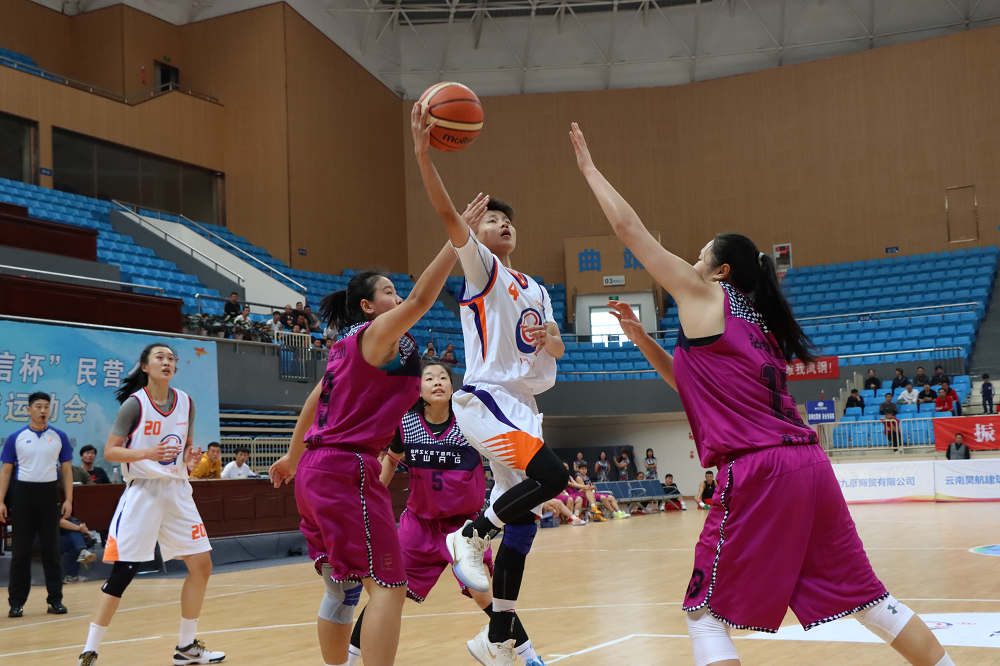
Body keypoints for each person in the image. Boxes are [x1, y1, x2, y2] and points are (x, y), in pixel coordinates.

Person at [570, 122, 953, 666]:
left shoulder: (706, 295)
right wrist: (642, 340)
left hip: (759, 471)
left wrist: (589, 170)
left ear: (720, 271)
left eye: (699, 256)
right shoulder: (759, 324)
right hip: (809, 466)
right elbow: (692, 387)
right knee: (871, 601)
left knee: (704, 613)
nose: (691, 263)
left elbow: (630, 231)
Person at [267, 215, 478, 666]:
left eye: (396, 292)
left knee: (341, 589)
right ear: (367, 306)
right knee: (389, 587)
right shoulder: (378, 334)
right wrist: (457, 241)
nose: (398, 298)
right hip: (346, 469)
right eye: (388, 292)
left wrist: (291, 457)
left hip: (315, 471)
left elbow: (314, 400)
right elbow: (422, 298)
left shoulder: (344, 346)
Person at [412, 102, 568, 664]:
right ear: (477, 234)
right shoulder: (483, 268)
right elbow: (446, 215)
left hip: (523, 404)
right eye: (491, 220)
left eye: (508, 221)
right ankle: (471, 534)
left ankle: (497, 637)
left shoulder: (537, 288)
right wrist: (423, 155)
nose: (502, 224)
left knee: (522, 529)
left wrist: (553, 338)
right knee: (554, 476)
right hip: (487, 399)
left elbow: (556, 350)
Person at [350, 362, 546, 666]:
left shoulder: (469, 421)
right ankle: (349, 661)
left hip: (464, 528)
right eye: (429, 378)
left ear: (453, 387)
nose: (437, 381)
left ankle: (529, 657)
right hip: (418, 525)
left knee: (489, 598)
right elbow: (390, 461)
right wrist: (369, 498)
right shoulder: (407, 423)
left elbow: (506, 458)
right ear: (419, 389)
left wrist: (535, 483)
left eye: (443, 377)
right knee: (386, 595)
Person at [77, 342, 223, 666]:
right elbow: (111, 451)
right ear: (145, 366)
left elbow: (185, 448)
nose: (167, 362)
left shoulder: (186, 402)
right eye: (160, 357)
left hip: (177, 489)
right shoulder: (134, 405)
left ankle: (186, 647)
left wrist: (190, 458)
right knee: (124, 572)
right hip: (143, 491)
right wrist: (147, 453)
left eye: (171, 358)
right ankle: (89, 652)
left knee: (202, 565)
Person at [0, 392, 73, 618]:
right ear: (29, 410)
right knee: (21, 551)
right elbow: (6, 470)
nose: (43, 411)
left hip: (49, 494)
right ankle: (16, 603)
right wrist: (0, 501)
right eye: (38, 406)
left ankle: (55, 600)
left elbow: (66, 470)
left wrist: (69, 499)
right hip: (23, 495)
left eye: (46, 407)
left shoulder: (59, 437)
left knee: (52, 550)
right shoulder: (16, 437)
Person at [61, 515, 96, 583]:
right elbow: (60, 522)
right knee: (74, 533)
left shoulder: (61, 510)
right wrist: (79, 528)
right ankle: (83, 551)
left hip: (59, 539)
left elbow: (71, 519)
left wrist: (82, 527)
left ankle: (71, 577)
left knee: (74, 535)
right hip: (44, 542)